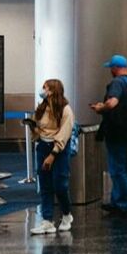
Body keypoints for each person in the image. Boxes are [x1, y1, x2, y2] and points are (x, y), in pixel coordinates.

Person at [89, 55, 127, 215]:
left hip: (118, 132)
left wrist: (101, 108)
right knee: (124, 167)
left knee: (117, 170)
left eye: (111, 68)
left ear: (114, 68)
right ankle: (117, 200)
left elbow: (113, 102)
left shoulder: (117, 82)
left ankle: (123, 204)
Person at [29, 79, 76, 235]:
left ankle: (66, 214)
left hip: (59, 150)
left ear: (53, 91)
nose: (43, 91)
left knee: (60, 184)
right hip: (42, 146)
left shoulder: (66, 110)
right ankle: (47, 220)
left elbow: (64, 134)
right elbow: (38, 130)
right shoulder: (41, 107)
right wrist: (32, 128)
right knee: (45, 185)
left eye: (46, 88)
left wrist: (53, 154)